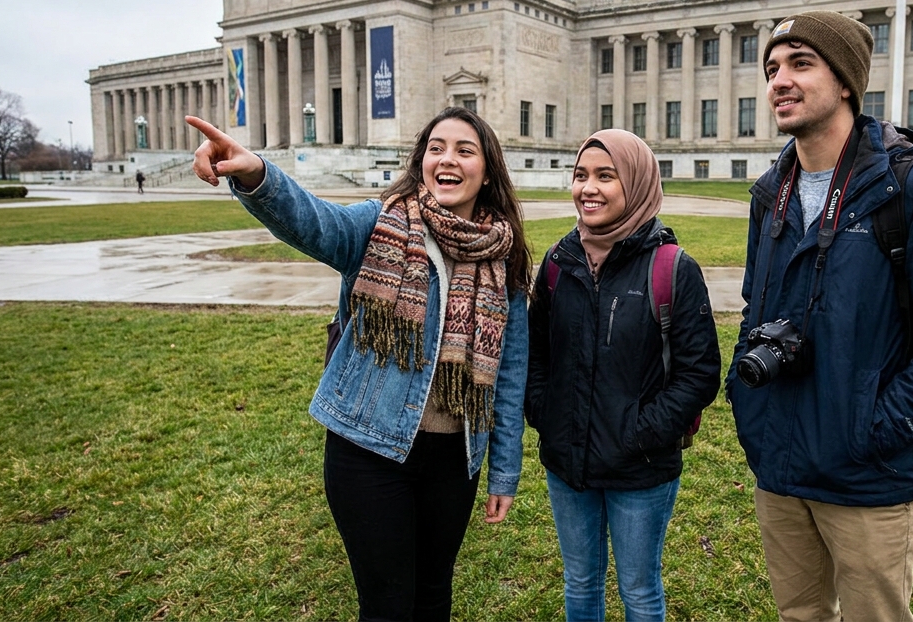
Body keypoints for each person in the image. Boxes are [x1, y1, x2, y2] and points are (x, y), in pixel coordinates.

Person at [186, 107, 530, 622]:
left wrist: (503, 472)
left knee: (434, 597)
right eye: (436, 147)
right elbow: (315, 223)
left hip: (452, 460)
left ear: (488, 168)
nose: (448, 159)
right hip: (367, 448)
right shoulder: (381, 224)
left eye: (465, 149)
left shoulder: (503, 256)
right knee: (388, 604)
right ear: (421, 161)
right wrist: (257, 172)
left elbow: (509, 377)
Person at [729, 11, 913, 622]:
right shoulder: (769, 194)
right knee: (799, 615)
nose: (780, 81)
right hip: (780, 465)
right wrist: (750, 405)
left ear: (846, 82)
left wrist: (874, 430)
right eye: (772, 68)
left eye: (801, 63)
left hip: (869, 479)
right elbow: (757, 309)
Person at [527, 129, 721, 622]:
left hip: (641, 468)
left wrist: (640, 432)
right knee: (581, 582)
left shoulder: (672, 268)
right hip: (568, 462)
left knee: (638, 589)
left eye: (605, 176)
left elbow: (699, 375)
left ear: (634, 184)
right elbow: (535, 357)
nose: (588, 188)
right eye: (580, 176)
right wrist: (548, 415)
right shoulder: (556, 264)